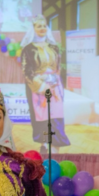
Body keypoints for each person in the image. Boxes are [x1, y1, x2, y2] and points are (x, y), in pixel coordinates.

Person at [21, 15, 70, 155]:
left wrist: (55, 83)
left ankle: (55, 147)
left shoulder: (53, 47)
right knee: (42, 116)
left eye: (44, 26)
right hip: (37, 88)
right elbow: (27, 71)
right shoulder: (28, 49)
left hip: (55, 86)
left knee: (55, 115)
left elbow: (58, 67)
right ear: (33, 29)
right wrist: (42, 86)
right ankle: (44, 143)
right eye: (39, 26)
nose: (42, 28)